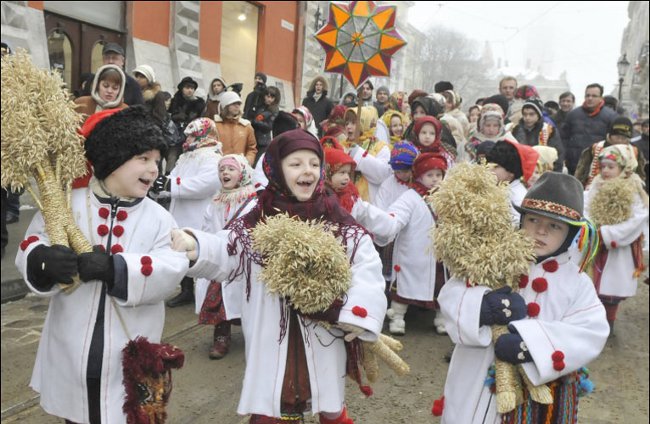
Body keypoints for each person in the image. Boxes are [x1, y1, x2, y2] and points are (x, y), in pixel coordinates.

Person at [171, 129, 387, 423]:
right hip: (272, 323)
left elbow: (366, 264)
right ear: (275, 168)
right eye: (295, 164)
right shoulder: (260, 210)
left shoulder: (332, 212)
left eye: (313, 163)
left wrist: (356, 311)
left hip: (324, 325)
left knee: (327, 393)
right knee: (276, 393)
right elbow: (228, 247)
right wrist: (196, 244)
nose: (306, 171)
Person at [15, 106, 189, 423]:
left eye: (157, 159)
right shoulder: (70, 204)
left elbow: (172, 267)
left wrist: (116, 269)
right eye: (144, 158)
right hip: (71, 352)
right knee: (76, 414)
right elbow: (31, 243)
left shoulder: (159, 218)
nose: (155, 168)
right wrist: (43, 262)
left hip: (128, 360)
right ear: (112, 158)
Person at [438, 171, 609, 424]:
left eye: (554, 226)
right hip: (476, 377)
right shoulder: (490, 257)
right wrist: (481, 306)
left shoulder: (577, 282)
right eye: (532, 220)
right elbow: (451, 294)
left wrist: (533, 344)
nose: (541, 230)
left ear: (571, 234)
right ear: (520, 221)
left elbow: (591, 331)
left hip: (537, 387)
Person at [153, 117, 223, 308]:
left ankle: (205, 291)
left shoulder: (212, 157)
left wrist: (172, 185)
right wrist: (162, 184)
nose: (189, 139)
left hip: (200, 211)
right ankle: (186, 290)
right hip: (182, 209)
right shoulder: (187, 156)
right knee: (180, 247)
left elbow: (206, 184)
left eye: (193, 135)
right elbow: (175, 176)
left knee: (197, 248)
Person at [195, 154, 256, 359]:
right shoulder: (215, 201)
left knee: (248, 299)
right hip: (219, 257)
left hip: (243, 259)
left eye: (230, 169)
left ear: (243, 173)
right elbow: (206, 227)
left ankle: (255, 334)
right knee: (219, 297)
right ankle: (221, 337)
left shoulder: (252, 202)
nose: (225, 173)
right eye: (222, 170)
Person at [584, 144, 649, 335]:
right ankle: (591, 321)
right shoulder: (595, 185)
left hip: (618, 249)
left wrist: (608, 234)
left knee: (610, 289)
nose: (605, 171)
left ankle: (608, 322)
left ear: (623, 168)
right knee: (591, 284)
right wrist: (592, 230)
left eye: (610, 167)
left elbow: (637, 219)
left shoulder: (633, 189)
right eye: (603, 166)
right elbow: (585, 208)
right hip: (594, 243)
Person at [382, 153, 447, 336]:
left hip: (439, 254)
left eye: (438, 175)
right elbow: (396, 215)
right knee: (404, 286)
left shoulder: (447, 197)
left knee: (441, 286)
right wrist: (388, 222)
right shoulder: (409, 197)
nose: (435, 180)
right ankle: (397, 317)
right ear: (419, 176)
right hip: (413, 253)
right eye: (430, 175)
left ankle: (441, 319)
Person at [561, 83, 618, 175]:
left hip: (599, 166)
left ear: (601, 98)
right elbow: (563, 138)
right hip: (574, 165)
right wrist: (564, 157)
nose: (590, 98)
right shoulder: (573, 115)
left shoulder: (611, 117)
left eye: (594, 96)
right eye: (587, 95)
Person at [575, 116, 647, 188]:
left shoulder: (635, 152)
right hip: (595, 190)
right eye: (617, 137)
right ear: (609, 135)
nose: (620, 141)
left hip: (625, 191)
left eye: (623, 138)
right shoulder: (595, 148)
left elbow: (641, 176)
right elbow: (580, 174)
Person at [485, 138, 539, 225]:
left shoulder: (517, 197)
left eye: (496, 166)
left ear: (511, 172)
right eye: (488, 165)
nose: (489, 169)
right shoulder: (499, 187)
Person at [510, 97, 565, 171]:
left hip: (544, 172)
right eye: (525, 114)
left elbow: (558, 155)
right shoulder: (515, 130)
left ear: (538, 115)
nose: (527, 117)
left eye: (531, 114)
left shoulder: (549, 131)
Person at [214, 91, 257, 165]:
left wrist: (246, 163)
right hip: (219, 166)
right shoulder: (214, 125)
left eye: (239, 104)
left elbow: (251, 149)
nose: (237, 106)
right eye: (234, 103)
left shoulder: (246, 126)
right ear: (225, 105)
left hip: (240, 167)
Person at [169, 76, 206, 140]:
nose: (190, 90)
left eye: (192, 88)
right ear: (182, 89)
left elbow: (203, 119)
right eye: (187, 88)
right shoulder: (175, 101)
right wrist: (177, 117)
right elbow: (168, 117)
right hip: (176, 134)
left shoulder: (199, 103)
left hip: (194, 134)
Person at [251, 86, 281, 165]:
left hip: (263, 142)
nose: (269, 99)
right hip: (253, 138)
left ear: (275, 99)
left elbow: (269, 126)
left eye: (271, 97)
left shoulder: (274, 110)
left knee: (257, 164)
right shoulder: (260, 107)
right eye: (267, 96)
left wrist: (255, 122)